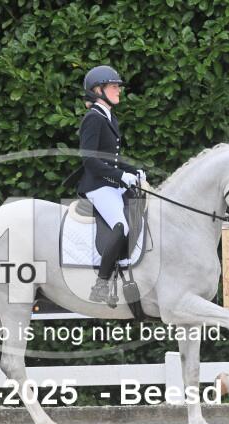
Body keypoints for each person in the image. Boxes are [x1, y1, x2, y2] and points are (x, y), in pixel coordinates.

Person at [76, 65, 146, 303]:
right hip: (97, 185)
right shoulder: (93, 118)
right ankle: (101, 284)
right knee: (121, 225)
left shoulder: (109, 117)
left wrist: (133, 171)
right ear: (98, 90)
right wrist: (119, 177)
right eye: (114, 86)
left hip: (110, 183)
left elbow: (112, 158)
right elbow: (89, 160)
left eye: (118, 86)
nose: (119, 90)